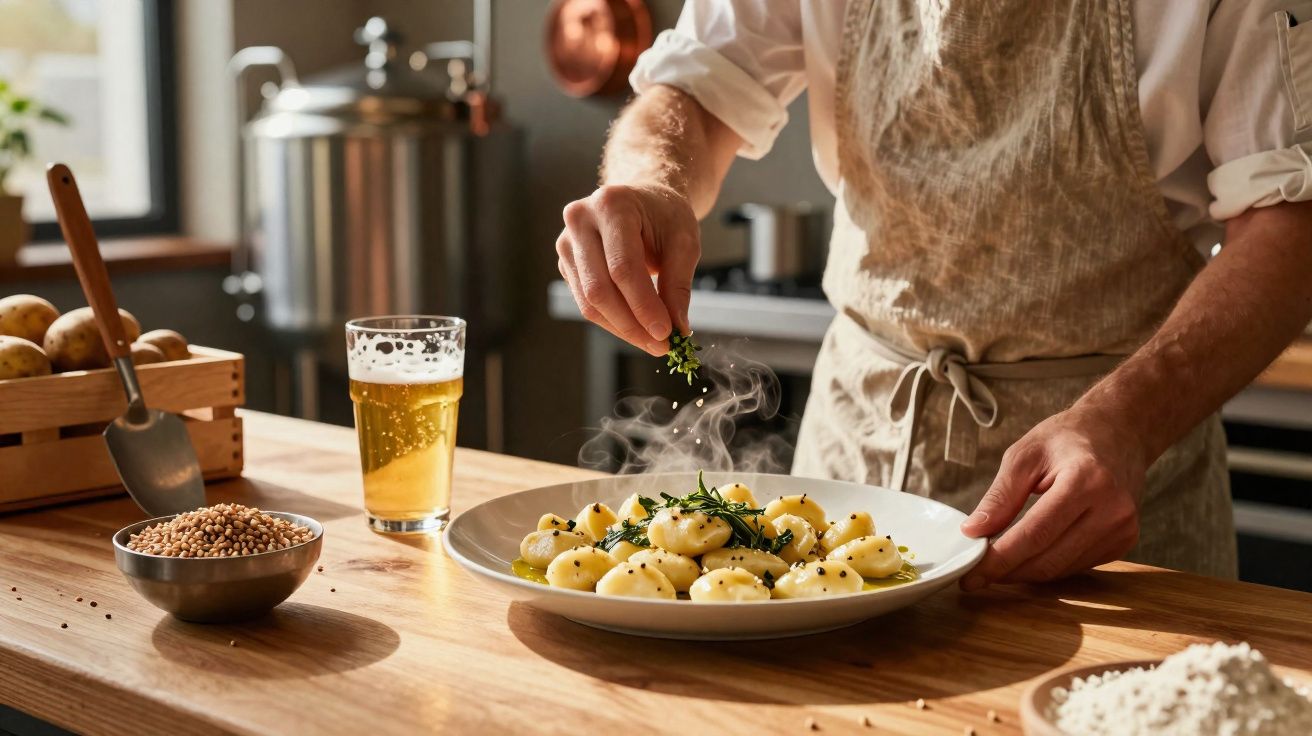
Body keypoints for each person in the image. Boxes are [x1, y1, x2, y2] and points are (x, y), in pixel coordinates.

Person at [554, 1, 1312, 588]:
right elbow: (691, 89)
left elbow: (1291, 220)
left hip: (1119, 492)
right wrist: (648, 182)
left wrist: (1129, 421)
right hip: (856, 455)